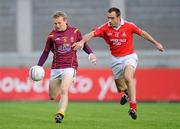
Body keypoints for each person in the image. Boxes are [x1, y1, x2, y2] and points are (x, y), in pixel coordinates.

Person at [73, 7, 164, 120]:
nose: (109, 20)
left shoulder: (129, 26)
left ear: (118, 17)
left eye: (112, 18)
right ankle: (126, 93)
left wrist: (156, 44)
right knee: (120, 88)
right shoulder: (105, 27)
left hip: (129, 57)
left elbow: (143, 33)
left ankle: (133, 107)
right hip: (116, 59)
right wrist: (82, 41)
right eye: (108, 18)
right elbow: (90, 34)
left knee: (128, 77)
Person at [37, 11, 97, 123]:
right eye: (55, 23)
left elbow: (83, 45)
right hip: (56, 68)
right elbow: (45, 52)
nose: (57, 25)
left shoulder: (75, 32)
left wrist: (91, 54)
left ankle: (60, 113)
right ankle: (62, 84)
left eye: (59, 23)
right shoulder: (51, 36)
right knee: (52, 96)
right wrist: (38, 66)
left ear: (65, 21)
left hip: (70, 67)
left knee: (64, 90)